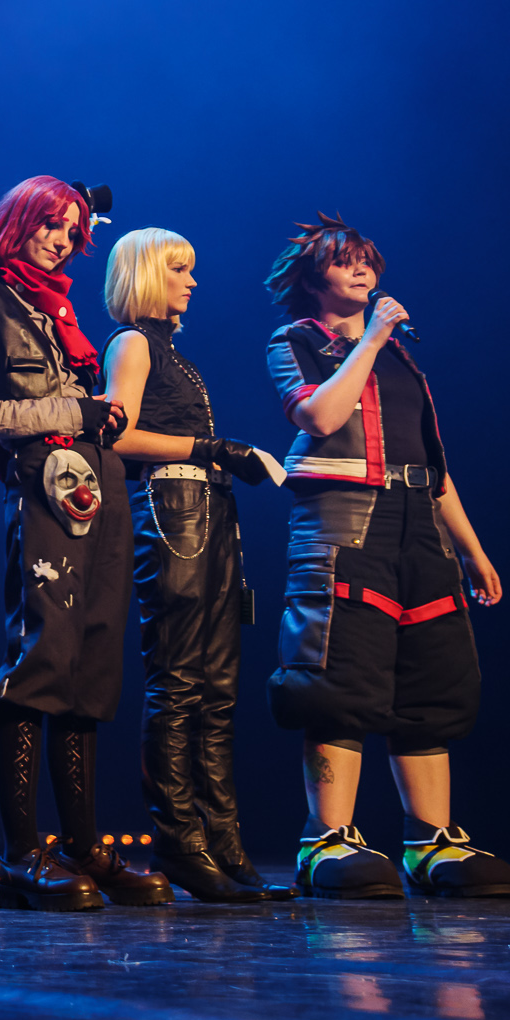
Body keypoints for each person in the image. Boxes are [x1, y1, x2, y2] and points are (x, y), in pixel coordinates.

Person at [0, 176, 170, 912]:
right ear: (18, 221)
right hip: (42, 492)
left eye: (73, 230)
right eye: (51, 224)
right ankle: (20, 856)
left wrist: (95, 417)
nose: (62, 240)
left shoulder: (56, 309)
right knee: (39, 661)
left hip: (98, 490)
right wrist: (68, 410)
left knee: (89, 668)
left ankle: (84, 846)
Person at [263, 214, 510, 899]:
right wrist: (372, 338)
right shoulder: (296, 341)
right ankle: (325, 839)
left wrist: (472, 551)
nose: (362, 270)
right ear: (312, 277)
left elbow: (435, 468)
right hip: (345, 527)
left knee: (430, 678)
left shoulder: (402, 359)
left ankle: (431, 841)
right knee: (337, 676)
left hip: (419, 529)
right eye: (344, 260)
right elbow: (320, 417)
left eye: (368, 260)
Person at [99, 228, 286, 903]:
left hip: (207, 511)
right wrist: (212, 448)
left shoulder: (171, 352)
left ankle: (224, 845)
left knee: (216, 688)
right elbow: (116, 435)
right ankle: (182, 843)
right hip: (171, 510)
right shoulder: (132, 343)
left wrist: (218, 457)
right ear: (148, 273)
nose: (192, 280)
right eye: (180, 268)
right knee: (179, 682)